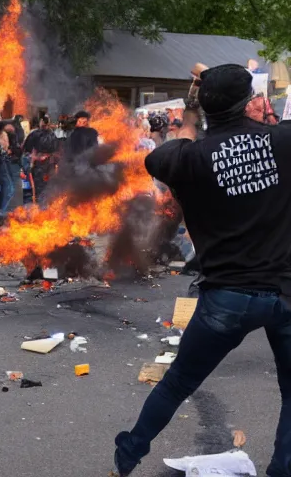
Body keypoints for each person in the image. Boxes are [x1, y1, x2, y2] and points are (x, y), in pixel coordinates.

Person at [113, 64, 291, 477]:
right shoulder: (282, 142)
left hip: (225, 299)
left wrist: (192, 113)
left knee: (177, 382)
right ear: (251, 103)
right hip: (283, 293)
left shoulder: (188, 157)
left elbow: (161, 155)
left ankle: (130, 451)